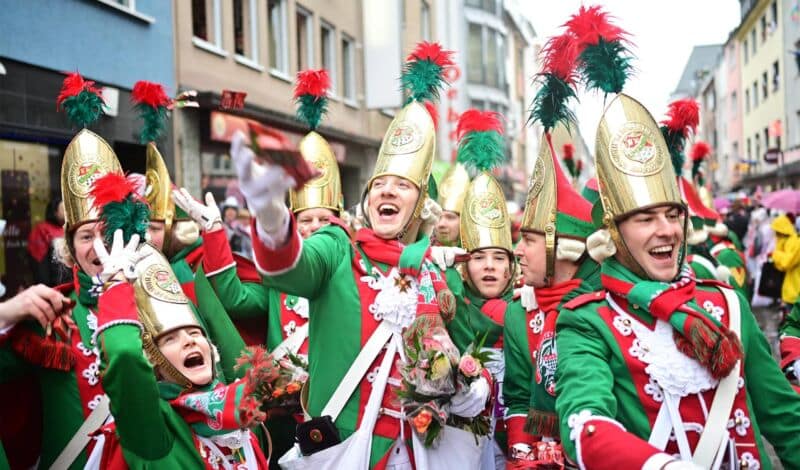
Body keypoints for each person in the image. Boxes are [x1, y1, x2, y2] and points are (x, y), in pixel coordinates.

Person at [235, 42, 490, 469]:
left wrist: (469, 386)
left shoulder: (431, 271)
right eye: (379, 185)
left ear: (421, 206)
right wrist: (271, 218)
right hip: (344, 449)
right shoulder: (337, 248)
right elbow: (293, 268)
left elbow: (470, 354)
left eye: (402, 186)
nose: (388, 191)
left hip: (417, 453)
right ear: (367, 198)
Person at [556, 93, 800, 469]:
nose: (667, 230)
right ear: (615, 234)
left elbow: (785, 419)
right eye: (646, 219)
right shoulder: (587, 322)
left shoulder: (728, 304)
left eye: (673, 215)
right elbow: (584, 426)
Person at [0, 83, 124, 469]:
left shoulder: (165, 303)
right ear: (69, 248)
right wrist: (6, 313)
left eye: (108, 233)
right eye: (87, 236)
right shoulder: (50, 316)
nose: (98, 247)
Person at [89, 232, 269, 468]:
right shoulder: (154, 427)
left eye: (195, 333)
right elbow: (124, 356)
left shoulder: (237, 412)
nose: (189, 341)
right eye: (170, 339)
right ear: (154, 362)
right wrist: (116, 287)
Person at [505, 121, 599, 468]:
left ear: (563, 249)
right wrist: (521, 454)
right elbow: (517, 396)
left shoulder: (602, 305)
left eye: (528, 241)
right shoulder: (519, 311)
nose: (517, 250)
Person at [440, 109, 519, 468]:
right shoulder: (448, 310)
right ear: (465, 267)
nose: (489, 266)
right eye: (479, 257)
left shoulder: (528, 314)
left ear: (511, 267)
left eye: (499, 258)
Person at [28, 196, 71, 286]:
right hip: (53, 283)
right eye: (64, 209)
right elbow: (39, 260)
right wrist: (45, 285)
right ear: (54, 212)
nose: (67, 212)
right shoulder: (43, 229)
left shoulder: (70, 228)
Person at [433, 162, 469, 247]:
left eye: (450, 217)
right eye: (438, 217)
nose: (441, 224)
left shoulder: (477, 257)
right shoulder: (424, 257)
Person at [771, 213, 800, 305]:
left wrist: (776, 255)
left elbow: (786, 263)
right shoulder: (786, 241)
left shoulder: (796, 242)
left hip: (795, 291)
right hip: (791, 290)